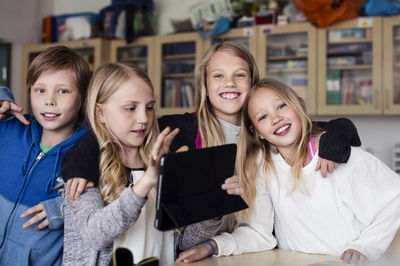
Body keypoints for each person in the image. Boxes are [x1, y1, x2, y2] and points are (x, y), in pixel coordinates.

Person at [202, 78, 400, 264]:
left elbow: (395, 200)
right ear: (257, 132)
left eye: (281, 106)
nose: (276, 118)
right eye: (263, 116)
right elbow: (260, 234)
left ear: (299, 106)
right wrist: (214, 245)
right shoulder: (264, 167)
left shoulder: (340, 156)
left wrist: (364, 247)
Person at [63, 62, 234, 266]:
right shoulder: (85, 168)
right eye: (130, 108)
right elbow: (95, 235)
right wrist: (146, 182)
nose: (144, 118)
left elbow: (185, 242)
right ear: (100, 113)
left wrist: (214, 206)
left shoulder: (164, 159)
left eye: (150, 107)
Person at [0, 46, 91, 265]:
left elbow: (108, 197)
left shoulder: (90, 149)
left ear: (83, 98)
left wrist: (63, 209)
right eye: (40, 90)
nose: (49, 100)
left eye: (63, 91)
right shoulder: (9, 128)